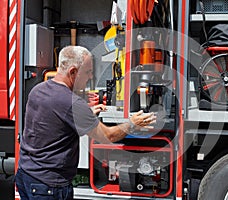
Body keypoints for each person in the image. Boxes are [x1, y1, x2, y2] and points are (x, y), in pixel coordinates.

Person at [15, 45, 156, 200]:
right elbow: (108, 136)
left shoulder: (38, 89)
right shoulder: (72, 103)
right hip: (48, 185)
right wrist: (132, 124)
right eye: (88, 72)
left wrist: (85, 114)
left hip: (26, 175)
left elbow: (53, 120)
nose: (90, 77)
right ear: (73, 72)